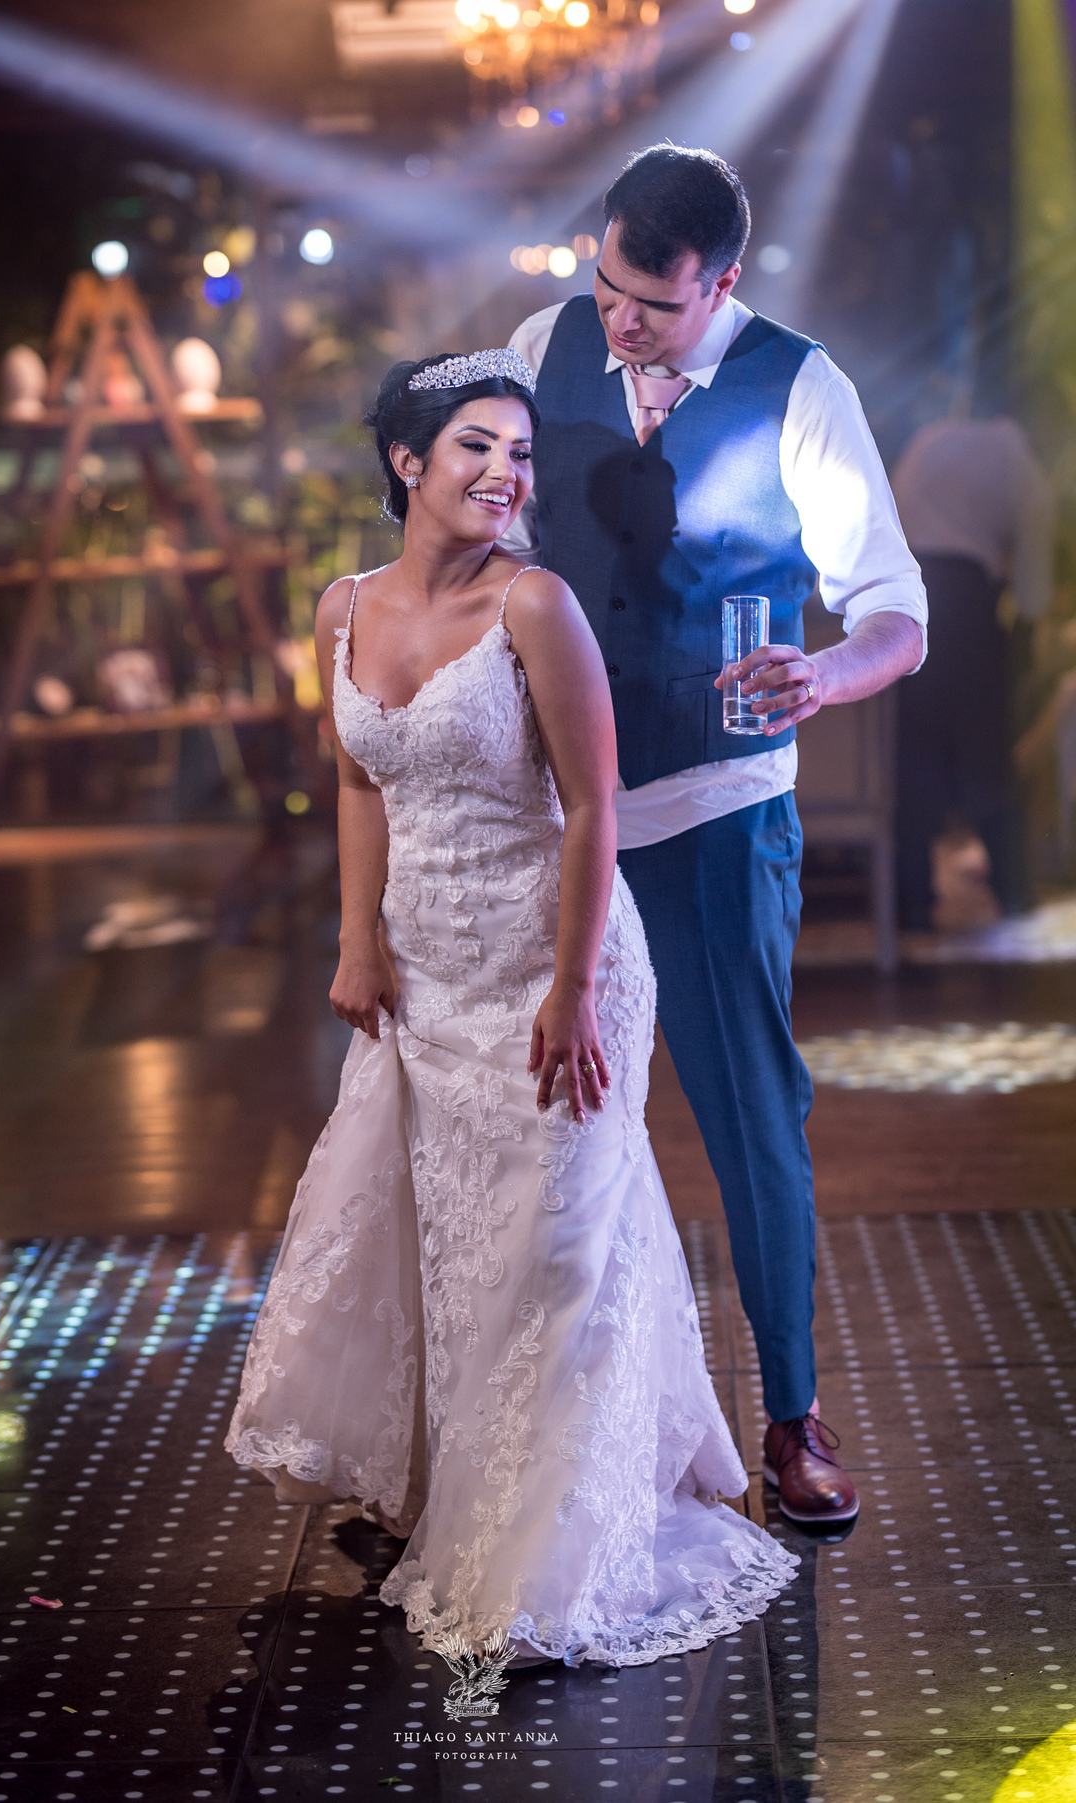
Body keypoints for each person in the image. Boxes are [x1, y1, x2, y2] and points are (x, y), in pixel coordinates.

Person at [227, 348, 796, 1670]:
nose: (505, 473)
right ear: (407, 462)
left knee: (554, 1256)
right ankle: (460, 1488)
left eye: (521, 453)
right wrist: (357, 937)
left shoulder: (535, 605)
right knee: (452, 1244)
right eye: (476, 446)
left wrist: (574, 989)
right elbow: (359, 782)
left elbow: (595, 807)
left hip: (558, 968)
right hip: (426, 977)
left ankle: (549, 1553)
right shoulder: (342, 608)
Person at [502, 145, 928, 1525]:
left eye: (655, 304)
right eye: (607, 288)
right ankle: (533, 1433)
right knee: (533, 1118)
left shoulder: (803, 385)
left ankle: (793, 1419)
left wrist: (828, 671)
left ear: (724, 282)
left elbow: (896, 611)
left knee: (752, 1113)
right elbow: (490, 540)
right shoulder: (541, 346)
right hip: (554, 810)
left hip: (718, 808)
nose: (621, 322)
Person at [891, 414, 1053, 928]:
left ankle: (910, 902)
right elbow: (1034, 570)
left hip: (904, 598)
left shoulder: (928, 439)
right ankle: (1014, 894)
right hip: (965, 600)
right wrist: (1028, 617)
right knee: (985, 749)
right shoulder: (1014, 450)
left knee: (912, 752)